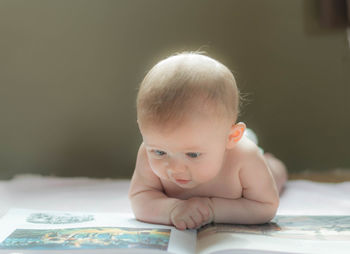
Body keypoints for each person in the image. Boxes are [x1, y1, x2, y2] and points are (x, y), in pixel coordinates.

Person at [128, 52, 288, 230]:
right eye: (160, 152)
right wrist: (173, 209)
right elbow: (140, 198)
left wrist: (212, 209)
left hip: (248, 159)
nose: (175, 168)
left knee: (275, 174)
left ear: (231, 138)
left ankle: (269, 159)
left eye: (193, 154)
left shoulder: (244, 156)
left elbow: (265, 207)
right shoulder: (147, 150)